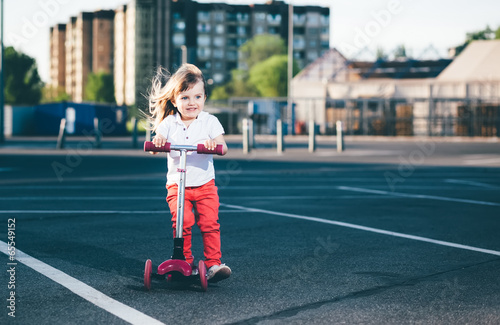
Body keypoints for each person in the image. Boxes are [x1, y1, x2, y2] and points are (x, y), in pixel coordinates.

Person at [148, 63, 231, 283]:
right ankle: (184, 260)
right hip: (177, 185)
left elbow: (223, 146)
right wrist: (159, 141)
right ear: (174, 101)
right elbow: (157, 145)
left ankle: (213, 264)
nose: (191, 103)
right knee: (182, 223)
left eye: (197, 97)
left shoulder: (210, 122)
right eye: (185, 98)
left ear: (204, 98)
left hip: (204, 184)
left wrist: (213, 143)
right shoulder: (169, 123)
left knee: (209, 223)